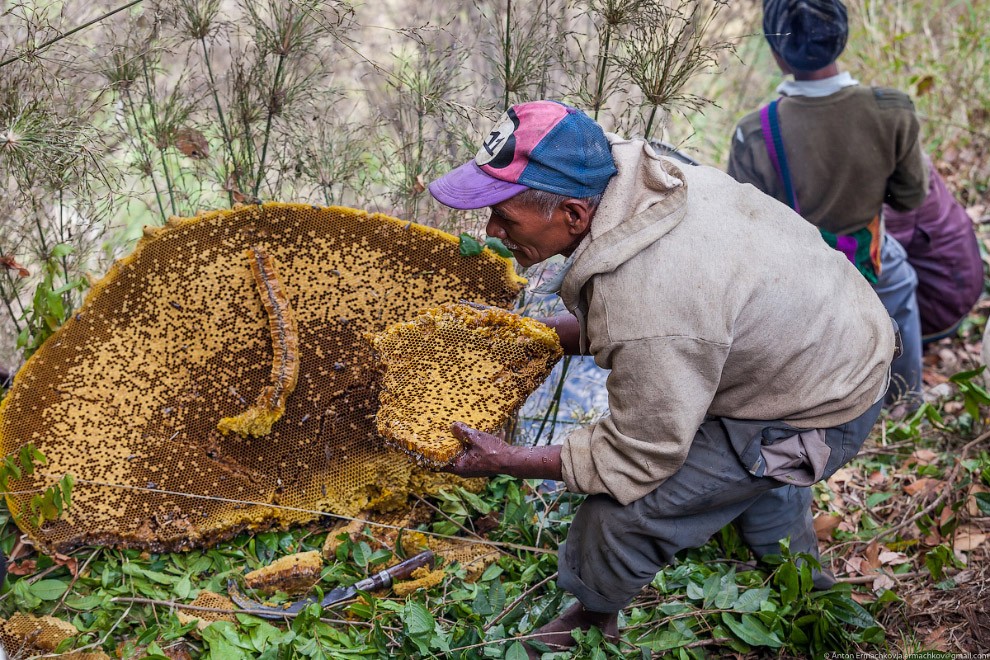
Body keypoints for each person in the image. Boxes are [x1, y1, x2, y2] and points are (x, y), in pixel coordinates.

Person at [427, 99, 895, 654]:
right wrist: (536, 337)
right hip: (816, 339)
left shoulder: (650, 300)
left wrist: (506, 463)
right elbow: (660, 328)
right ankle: (797, 581)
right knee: (757, 480)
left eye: (505, 215)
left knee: (619, 515)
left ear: (574, 215)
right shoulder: (627, 170)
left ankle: (589, 621)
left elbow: (635, 456)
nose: (492, 230)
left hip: (822, 397)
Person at [726, 0, 928, 411]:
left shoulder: (755, 132)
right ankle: (906, 399)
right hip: (869, 256)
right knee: (900, 286)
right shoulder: (892, 110)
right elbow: (910, 198)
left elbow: (745, 230)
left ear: (778, 55)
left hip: (797, 276)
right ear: (842, 37)